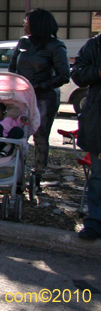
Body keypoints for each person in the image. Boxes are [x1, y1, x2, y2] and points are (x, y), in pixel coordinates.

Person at [8, 8, 69, 194]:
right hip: (21, 96)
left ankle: (37, 176)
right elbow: (12, 67)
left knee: (41, 136)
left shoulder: (55, 46)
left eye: (26, 22)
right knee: (17, 134)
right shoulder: (23, 42)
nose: (24, 25)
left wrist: (40, 86)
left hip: (44, 98)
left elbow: (64, 75)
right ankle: (16, 177)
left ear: (37, 24)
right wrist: (15, 85)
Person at [71, 33, 101, 241]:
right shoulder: (94, 45)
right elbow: (78, 74)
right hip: (98, 120)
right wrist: (98, 71)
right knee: (98, 177)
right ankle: (95, 223)